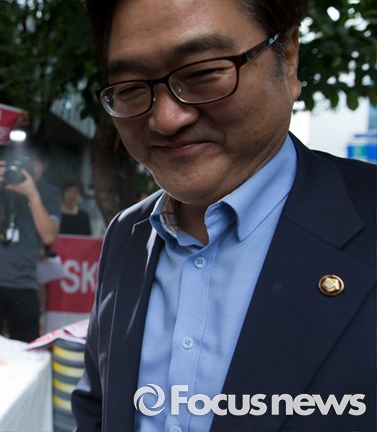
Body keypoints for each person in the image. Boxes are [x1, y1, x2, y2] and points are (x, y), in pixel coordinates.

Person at [72, 1, 376, 431]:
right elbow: (98, 407)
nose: (166, 119)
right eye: (130, 88)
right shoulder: (126, 234)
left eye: (203, 73)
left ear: (288, 56)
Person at [0, 136, 61, 342]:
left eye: (32, 163)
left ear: (44, 165)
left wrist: (32, 194)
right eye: (21, 161)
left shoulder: (48, 192)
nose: (24, 168)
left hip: (24, 284)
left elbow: (48, 235)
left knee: (25, 348)